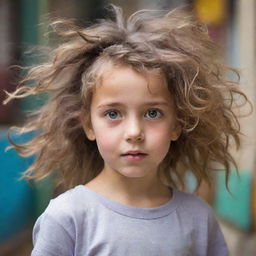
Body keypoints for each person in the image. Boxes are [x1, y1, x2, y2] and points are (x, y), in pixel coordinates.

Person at [4, 5, 249, 256]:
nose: (134, 132)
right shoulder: (67, 218)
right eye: (113, 114)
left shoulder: (198, 220)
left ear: (177, 125)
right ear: (89, 125)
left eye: (153, 113)